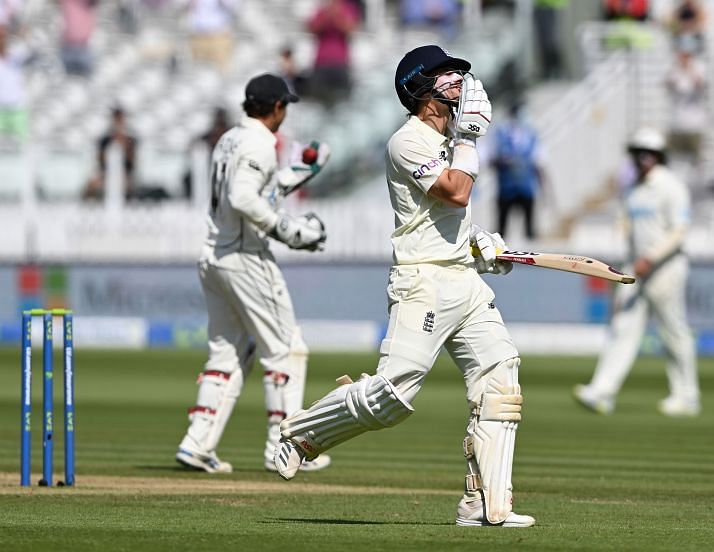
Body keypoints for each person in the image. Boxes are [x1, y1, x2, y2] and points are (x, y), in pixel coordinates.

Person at [273, 45, 535, 528]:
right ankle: (299, 434)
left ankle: (484, 506)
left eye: (460, 73)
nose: (460, 81)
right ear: (420, 88)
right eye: (448, 75)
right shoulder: (407, 141)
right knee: (392, 397)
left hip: (464, 282)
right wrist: (472, 138)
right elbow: (455, 190)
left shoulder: (452, 139)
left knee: (501, 379)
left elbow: (447, 216)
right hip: (423, 283)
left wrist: (480, 246)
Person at [175, 73, 333, 474]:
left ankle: (197, 444)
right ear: (277, 107)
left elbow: (253, 190)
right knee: (286, 350)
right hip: (245, 257)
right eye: (286, 107)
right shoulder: (260, 142)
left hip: (214, 255)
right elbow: (242, 197)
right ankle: (284, 448)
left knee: (228, 352)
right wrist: (290, 232)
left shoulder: (230, 138)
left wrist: (300, 170)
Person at [573, 128, 700, 417]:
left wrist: (652, 257)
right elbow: (628, 232)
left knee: (674, 332)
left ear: (658, 156)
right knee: (622, 328)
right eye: (637, 153)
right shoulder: (632, 191)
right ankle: (602, 392)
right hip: (635, 268)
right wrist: (628, 264)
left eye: (647, 153)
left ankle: (687, 396)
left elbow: (679, 231)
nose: (641, 159)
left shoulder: (671, 187)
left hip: (666, 268)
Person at [489, 102, 546, 240]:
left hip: (526, 188)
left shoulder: (532, 135)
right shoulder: (500, 134)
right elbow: (490, 159)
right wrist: (502, 162)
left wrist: (543, 189)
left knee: (530, 228)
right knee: (501, 228)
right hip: (506, 188)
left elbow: (539, 163)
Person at [306, 0, 360, 106]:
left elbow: (350, 30)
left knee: (343, 100)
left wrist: (337, 16)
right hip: (321, 63)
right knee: (318, 99)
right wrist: (326, 16)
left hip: (340, 64)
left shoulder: (348, 9)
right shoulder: (322, 10)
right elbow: (312, 28)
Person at [83, 106, 138, 200]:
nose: (118, 122)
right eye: (116, 119)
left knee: (125, 184)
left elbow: (132, 162)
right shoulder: (105, 140)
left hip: (125, 174)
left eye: (120, 119)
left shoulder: (130, 140)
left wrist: (124, 145)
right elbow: (100, 161)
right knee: (91, 184)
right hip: (106, 174)